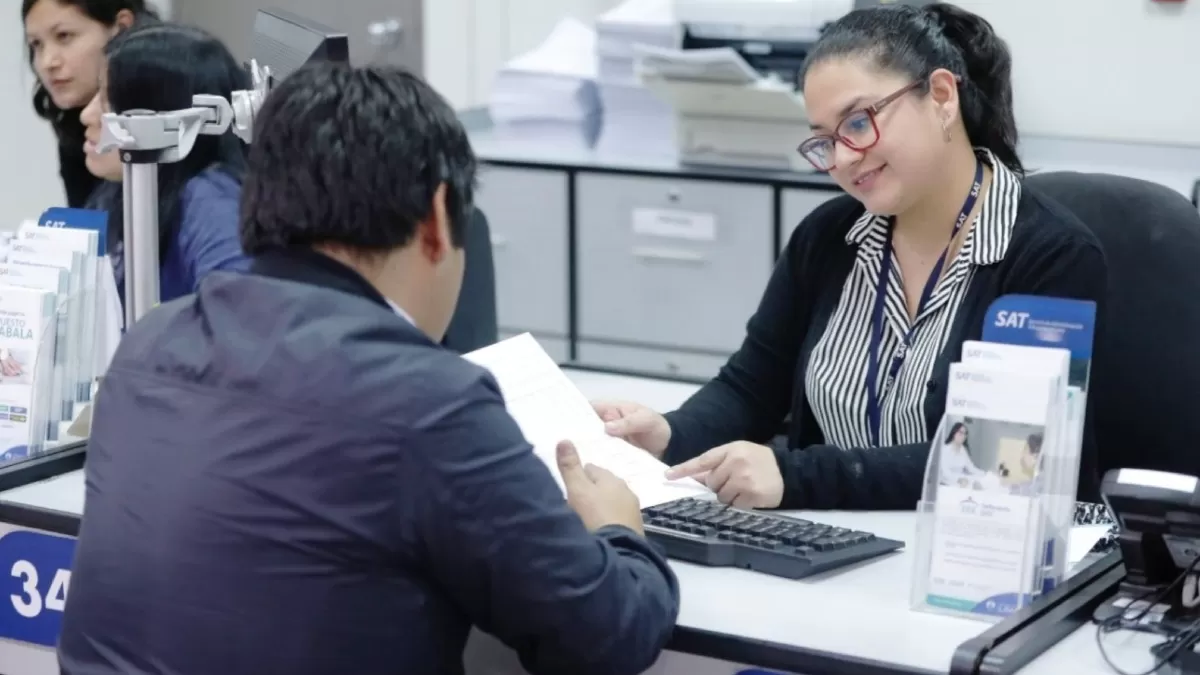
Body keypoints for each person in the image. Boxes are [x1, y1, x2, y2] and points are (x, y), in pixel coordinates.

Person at [58, 62, 679, 675]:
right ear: (438, 220)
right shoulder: (428, 402)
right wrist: (620, 533)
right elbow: (605, 633)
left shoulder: (147, 346)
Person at [594, 3, 1106, 510]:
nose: (842, 158)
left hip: (980, 557)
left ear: (942, 96)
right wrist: (669, 432)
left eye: (858, 123)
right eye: (823, 141)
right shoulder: (828, 237)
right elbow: (752, 389)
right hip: (834, 553)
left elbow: (1008, 456)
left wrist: (797, 477)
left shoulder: (1050, 255)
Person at [80, 22, 249, 304]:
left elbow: (242, 314)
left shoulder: (211, 200)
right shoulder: (130, 188)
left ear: (165, 116)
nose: (87, 115)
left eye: (108, 102)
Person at [22, 0, 155, 207]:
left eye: (64, 36)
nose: (47, 62)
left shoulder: (166, 118)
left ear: (121, 28)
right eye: (36, 44)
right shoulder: (73, 120)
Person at [938, 421, 981, 487]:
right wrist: (959, 479)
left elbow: (971, 468)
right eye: (960, 433)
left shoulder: (962, 450)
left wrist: (985, 474)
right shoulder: (945, 449)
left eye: (965, 434)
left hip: (961, 484)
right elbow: (945, 472)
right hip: (946, 484)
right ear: (954, 433)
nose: (963, 436)